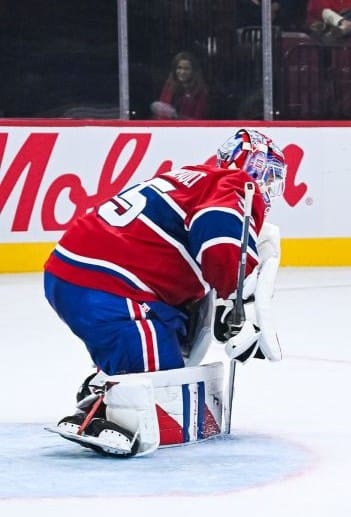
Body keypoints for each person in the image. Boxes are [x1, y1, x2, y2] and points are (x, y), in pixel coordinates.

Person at [44, 129, 288, 456]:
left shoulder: (195, 179)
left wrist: (223, 304)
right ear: (251, 168)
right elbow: (218, 242)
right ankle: (114, 406)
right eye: (269, 176)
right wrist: (237, 298)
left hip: (86, 273)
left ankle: (105, 384)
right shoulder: (235, 184)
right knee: (162, 388)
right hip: (109, 284)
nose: (269, 188)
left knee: (172, 338)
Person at [151, 52, 208, 120]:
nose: (182, 72)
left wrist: (177, 116)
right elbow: (161, 111)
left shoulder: (200, 90)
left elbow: (199, 119)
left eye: (186, 69)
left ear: (193, 70)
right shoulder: (169, 85)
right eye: (179, 68)